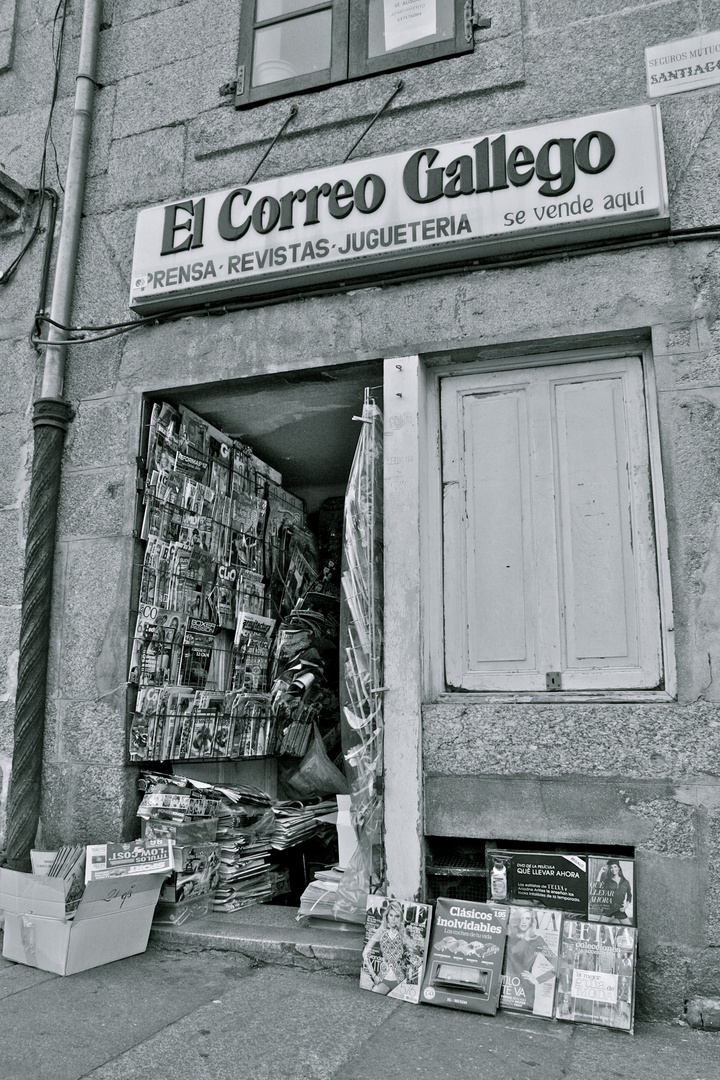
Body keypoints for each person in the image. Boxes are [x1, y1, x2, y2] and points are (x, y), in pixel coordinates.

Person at [362, 901, 408, 995]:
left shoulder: (404, 933)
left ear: (400, 918)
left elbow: (413, 955)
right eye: (391, 915)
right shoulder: (381, 931)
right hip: (384, 978)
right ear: (387, 916)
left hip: (400, 979)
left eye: (397, 916)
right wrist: (374, 975)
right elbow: (365, 953)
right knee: (373, 998)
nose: (393, 919)